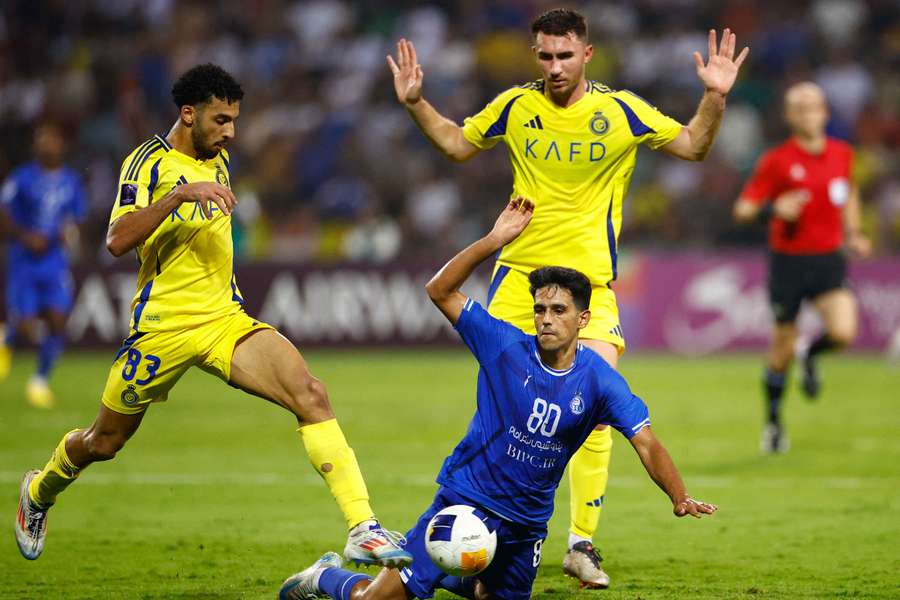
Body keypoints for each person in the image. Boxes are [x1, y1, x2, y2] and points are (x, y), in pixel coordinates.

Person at [386, 7, 746, 587]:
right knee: (507, 415)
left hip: (587, 288)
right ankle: (478, 533)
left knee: (597, 398)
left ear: (587, 55)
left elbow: (693, 146)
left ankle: (582, 543)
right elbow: (456, 144)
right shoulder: (515, 106)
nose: (554, 67)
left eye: (564, 55)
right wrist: (415, 103)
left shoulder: (622, 110)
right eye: (545, 56)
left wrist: (715, 98)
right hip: (519, 281)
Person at [14, 64, 412, 569]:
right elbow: (115, 240)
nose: (231, 132)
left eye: (234, 120)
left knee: (310, 393)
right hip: (162, 328)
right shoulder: (149, 164)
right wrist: (180, 195)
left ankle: (363, 528)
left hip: (224, 319)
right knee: (104, 441)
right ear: (188, 113)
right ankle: (41, 490)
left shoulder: (219, 159)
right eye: (221, 120)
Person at [278, 198, 717, 600]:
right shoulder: (503, 345)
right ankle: (325, 577)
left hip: (526, 526)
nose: (546, 320)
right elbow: (438, 290)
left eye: (559, 311)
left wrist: (678, 496)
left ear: (584, 319)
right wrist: (493, 241)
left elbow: (646, 442)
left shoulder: (601, 381)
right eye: (540, 310)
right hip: (467, 499)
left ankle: (425, 562)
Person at [733, 82, 871, 453]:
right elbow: (743, 209)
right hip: (788, 264)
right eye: (801, 107)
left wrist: (854, 233)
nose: (809, 112)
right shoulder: (776, 161)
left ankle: (811, 355)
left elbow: (850, 192)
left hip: (828, 260)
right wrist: (773, 209)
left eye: (814, 106)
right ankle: (774, 424)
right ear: (789, 116)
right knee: (780, 351)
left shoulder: (842, 154)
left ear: (825, 112)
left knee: (843, 332)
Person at [0, 122, 88, 408]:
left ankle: (39, 381)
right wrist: (25, 236)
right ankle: (10, 335)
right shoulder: (21, 178)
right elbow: (4, 214)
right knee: (26, 326)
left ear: (61, 145)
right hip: (24, 261)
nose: (46, 145)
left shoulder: (71, 181)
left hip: (54, 261)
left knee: (58, 320)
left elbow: (77, 218)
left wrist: (70, 234)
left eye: (51, 140)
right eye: (41, 140)